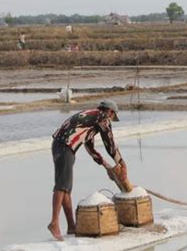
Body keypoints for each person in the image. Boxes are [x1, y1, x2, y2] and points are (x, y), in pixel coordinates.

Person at [47, 100, 127, 241]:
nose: (110, 121)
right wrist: (121, 163)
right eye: (112, 117)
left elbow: (90, 148)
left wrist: (107, 166)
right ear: (110, 112)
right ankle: (54, 223)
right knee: (61, 186)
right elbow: (110, 143)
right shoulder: (102, 117)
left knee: (66, 188)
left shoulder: (90, 117)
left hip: (61, 146)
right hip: (65, 147)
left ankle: (71, 226)